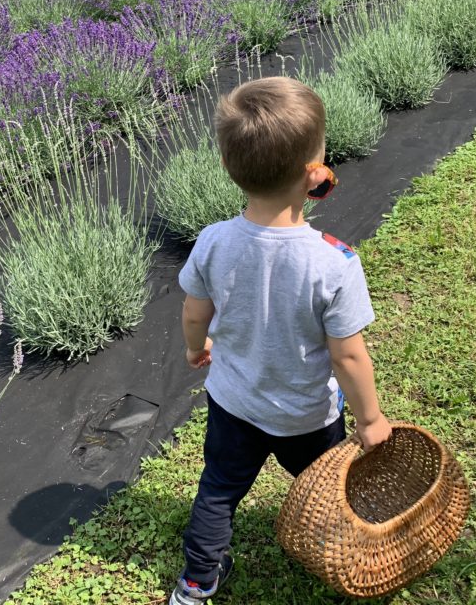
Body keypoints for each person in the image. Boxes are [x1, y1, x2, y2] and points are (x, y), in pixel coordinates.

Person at [168, 77, 392, 605]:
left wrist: (193, 348)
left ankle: (197, 581)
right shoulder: (333, 262)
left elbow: (193, 310)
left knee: (219, 489)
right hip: (305, 416)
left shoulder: (213, 242)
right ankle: (346, 560)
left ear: (227, 168)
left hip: (233, 403)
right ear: (316, 174)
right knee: (330, 491)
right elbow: (348, 354)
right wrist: (371, 420)